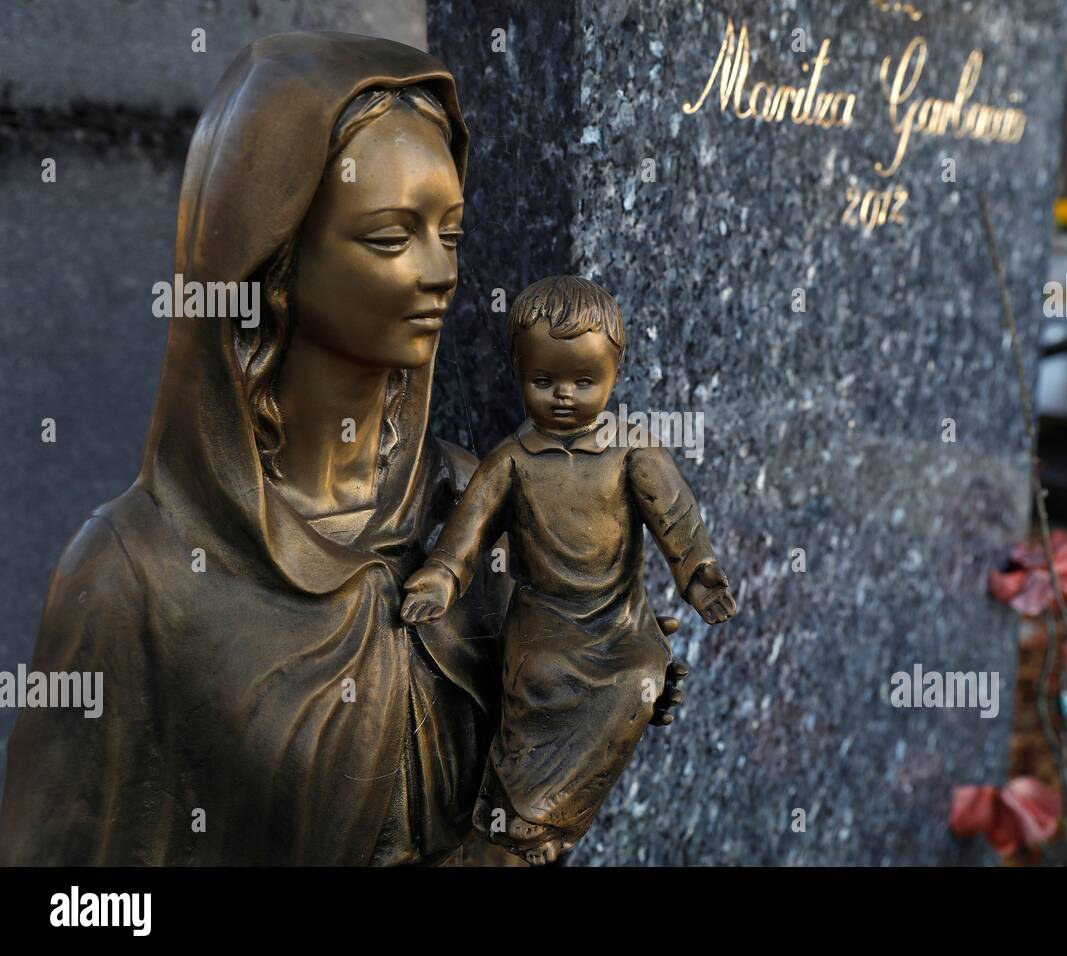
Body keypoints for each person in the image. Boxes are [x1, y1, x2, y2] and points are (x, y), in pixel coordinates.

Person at [0, 34, 686, 866]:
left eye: (453, 233)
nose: (441, 273)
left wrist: (605, 685)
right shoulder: (130, 577)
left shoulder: (478, 504)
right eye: (392, 238)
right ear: (274, 267)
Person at [402, 276, 736, 864]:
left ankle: (556, 822)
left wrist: (699, 573)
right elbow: (468, 531)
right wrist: (440, 577)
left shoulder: (634, 453)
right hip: (544, 616)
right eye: (543, 380)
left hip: (618, 618)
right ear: (518, 370)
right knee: (538, 679)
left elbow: (676, 518)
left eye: (585, 381)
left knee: (638, 680)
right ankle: (516, 816)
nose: (563, 395)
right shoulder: (510, 461)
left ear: (616, 370)